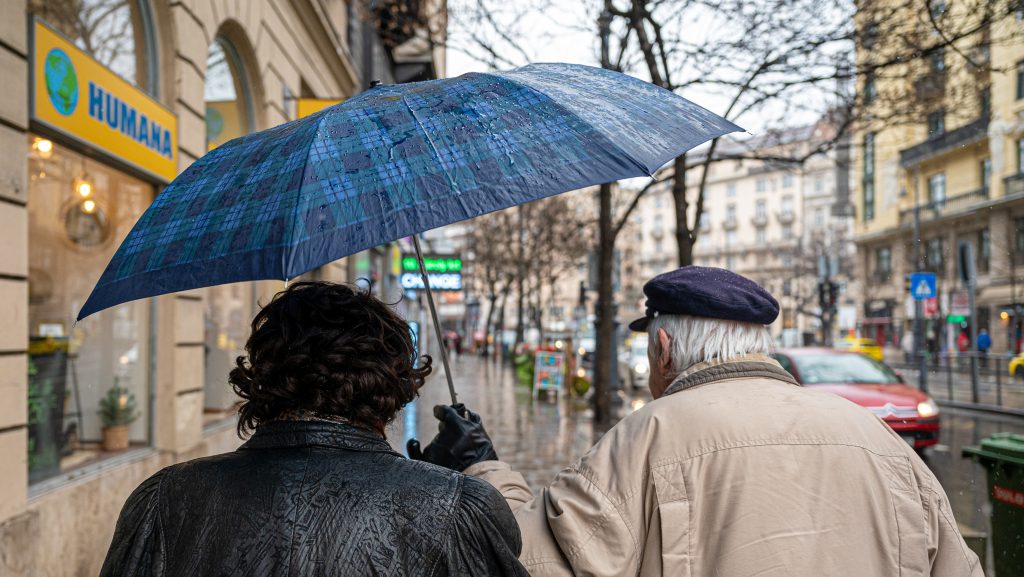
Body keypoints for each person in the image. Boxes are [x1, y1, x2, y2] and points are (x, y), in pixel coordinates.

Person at [412, 267, 982, 577]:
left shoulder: (649, 435)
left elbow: (535, 561)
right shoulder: (871, 434)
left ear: (663, 347)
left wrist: (478, 466)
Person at [100, 281, 528, 577]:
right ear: (392, 389)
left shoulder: (162, 499)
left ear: (261, 378)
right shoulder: (461, 508)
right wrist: (459, 481)